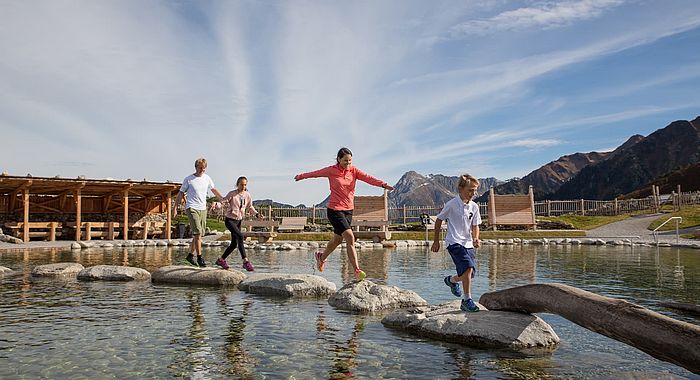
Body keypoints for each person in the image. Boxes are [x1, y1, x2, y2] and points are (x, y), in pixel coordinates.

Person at [294, 147, 394, 281]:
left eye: (350, 161)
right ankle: (357, 270)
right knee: (349, 236)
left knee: (337, 240)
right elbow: (316, 173)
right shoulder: (331, 170)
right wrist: (301, 176)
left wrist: (383, 184)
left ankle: (321, 257)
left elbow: (368, 178)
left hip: (348, 210)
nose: (348, 163)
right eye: (346, 160)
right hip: (334, 210)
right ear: (339, 159)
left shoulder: (354, 171)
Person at [431, 174, 482, 312]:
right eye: (470, 190)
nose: (473, 193)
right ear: (460, 189)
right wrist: (436, 241)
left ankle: (452, 281)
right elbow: (438, 220)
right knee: (468, 268)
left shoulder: (474, 207)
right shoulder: (451, 204)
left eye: (475, 190)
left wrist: (476, 238)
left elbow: (475, 225)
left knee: (469, 274)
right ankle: (467, 300)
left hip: (468, 244)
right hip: (454, 242)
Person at [173, 158, 224, 267]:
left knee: (199, 235)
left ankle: (190, 256)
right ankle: (200, 258)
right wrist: (175, 207)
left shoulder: (207, 178)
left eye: (204, 168)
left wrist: (222, 198)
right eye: (200, 168)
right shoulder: (189, 179)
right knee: (198, 233)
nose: (202, 170)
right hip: (192, 207)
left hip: (203, 209)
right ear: (196, 167)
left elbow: (213, 189)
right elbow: (180, 194)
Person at [215, 176, 260, 271]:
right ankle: (245, 261)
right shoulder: (232, 194)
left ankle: (221, 260)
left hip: (238, 221)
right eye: (241, 184)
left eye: (245, 185)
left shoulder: (247, 195)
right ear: (237, 184)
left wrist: (256, 214)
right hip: (230, 220)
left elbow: (250, 207)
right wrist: (217, 205)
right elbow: (223, 201)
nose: (243, 186)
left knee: (234, 244)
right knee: (240, 236)